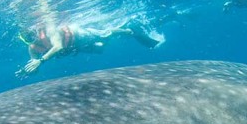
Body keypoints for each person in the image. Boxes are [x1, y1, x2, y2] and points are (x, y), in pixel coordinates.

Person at [16, 21, 162, 76]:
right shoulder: (33, 49)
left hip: (79, 35)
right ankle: (121, 33)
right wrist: (28, 71)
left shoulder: (49, 31)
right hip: (75, 47)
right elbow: (33, 66)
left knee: (105, 35)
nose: (32, 38)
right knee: (100, 49)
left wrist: (41, 60)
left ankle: (126, 30)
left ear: (35, 30)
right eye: (27, 38)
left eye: (31, 34)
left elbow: (58, 46)